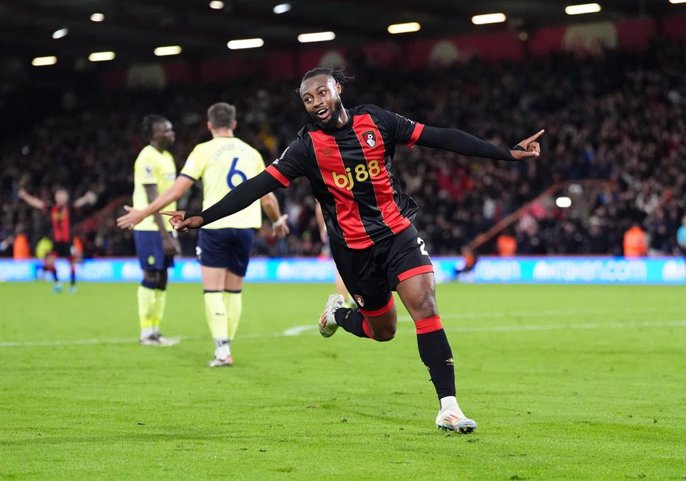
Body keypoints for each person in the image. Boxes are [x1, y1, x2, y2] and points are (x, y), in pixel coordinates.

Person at [163, 67, 543, 433]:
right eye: (308, 99)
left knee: (425, 304)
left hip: (397, 233)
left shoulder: (376, 121)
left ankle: (449, 407)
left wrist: (506, 154)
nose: (316, 102)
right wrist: (201, 217)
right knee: (384, 331)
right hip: (354, 250)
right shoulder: (305, 147)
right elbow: (258, 186)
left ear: (338, 90)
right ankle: (338, 315)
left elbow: (440, 137)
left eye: (322, 92)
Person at [117, 103, 290, 366]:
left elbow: (176, 192)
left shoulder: (203, 150)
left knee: (213, 291)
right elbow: (267, 196)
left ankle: (222, 350)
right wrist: (277, 222)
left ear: (209, 125)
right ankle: (227, 345)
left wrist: (143, 213)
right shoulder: (252, 152)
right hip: (246, 227)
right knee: (234, 293)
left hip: (215, 227)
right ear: (234, 124)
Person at [130, 114, 180, 346]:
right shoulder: (146, 158)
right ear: (153, 134)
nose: (171, 133)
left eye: (171, 129)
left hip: (165, 226)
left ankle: (156, 330)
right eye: (166, 130)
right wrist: (164, 235)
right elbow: (153, 199)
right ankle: (146, 332)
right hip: (150, 227)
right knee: (151, 274)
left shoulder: (168, 157)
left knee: (162, 276)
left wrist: (173, 230)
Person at [17, 186, 96, 292]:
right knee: (49, 262)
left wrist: (86, 198)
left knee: (72, 263)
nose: (61, 197)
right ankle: (57, 283)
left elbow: (79, 203)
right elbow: (38, 203)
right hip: (56, 242)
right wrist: (26, 196)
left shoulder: (70, 208)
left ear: (67, 197)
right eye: (59, 195)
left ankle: (72, 285)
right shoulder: (51, 208)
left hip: (68, 241)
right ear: (55, 197)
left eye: (63, 195)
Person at [315, 201, 353, 306]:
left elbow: (319, 206)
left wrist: (322, 228)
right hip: (352, 225)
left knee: (339, 266)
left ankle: (344, 300)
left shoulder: (325, 186)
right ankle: (352, 298)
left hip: (335, 228)